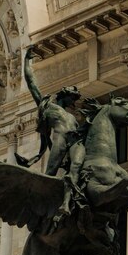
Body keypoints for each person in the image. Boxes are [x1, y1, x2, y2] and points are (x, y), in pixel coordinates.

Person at [15, 47, 85, 218]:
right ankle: (40, 207)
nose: (74, 102)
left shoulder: (71, 116)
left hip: (75, 141)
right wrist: (26, 60)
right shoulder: (48, 106)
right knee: (50, 174)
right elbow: (31, 83)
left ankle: (69, 202)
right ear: (64, 95)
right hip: (61, 140)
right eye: (72, 98)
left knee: (79, 168)